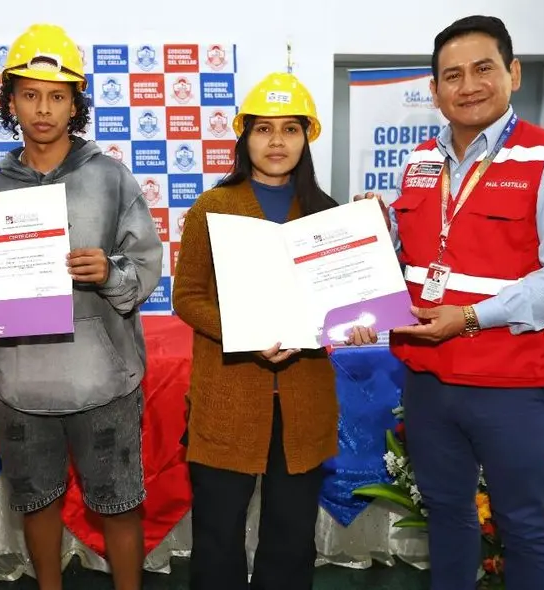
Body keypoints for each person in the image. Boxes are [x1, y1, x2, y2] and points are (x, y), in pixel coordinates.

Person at [347, 15, 544, 590]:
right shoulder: (418, 162)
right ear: (435, 91)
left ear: (513, 73)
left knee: (525, 526)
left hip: (510, 383)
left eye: (483, 68)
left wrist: (471, 317)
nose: (468, 85)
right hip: (427, 380)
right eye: (452, 75)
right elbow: (412, 262)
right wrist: (371, 251)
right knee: (445, 514)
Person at [0, 23, 162, 590]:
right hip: (19, 381)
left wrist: (109, 271)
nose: (42, 108)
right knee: (36, 504)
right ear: (10, 102)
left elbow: (146, 264)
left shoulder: (110, 176)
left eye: (57, 95)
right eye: (29, 94)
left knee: (120, 503)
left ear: (75, 103)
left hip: (104, 379)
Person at [171, 71, 338, 590]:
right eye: (264, 129)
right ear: (245, 137)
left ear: (306, 137)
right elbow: (188, 297)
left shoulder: (326, 213)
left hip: (303, 400)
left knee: (290, 538)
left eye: (290, 129)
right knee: (218, 536)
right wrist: (243, 330)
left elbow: (342, 304)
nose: (277, 142)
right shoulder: (211, 208)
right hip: (229, 396)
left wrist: (354, 325)